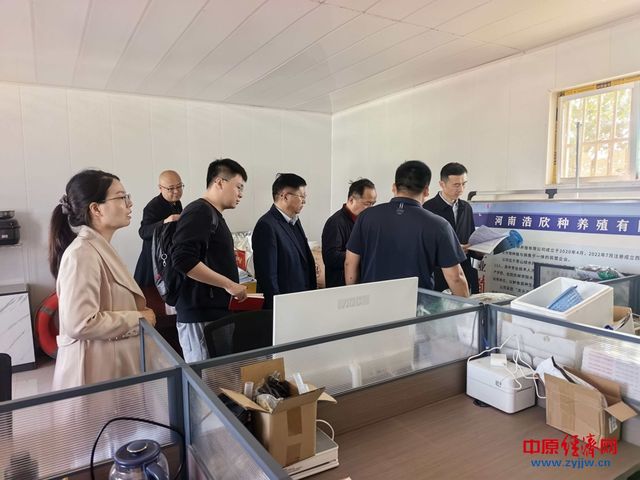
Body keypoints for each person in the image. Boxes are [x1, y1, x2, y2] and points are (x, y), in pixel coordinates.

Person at [48, 169, 156, 390]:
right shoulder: (81, 254)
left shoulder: (98, 247)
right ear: (96, 209)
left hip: (112, 364)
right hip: (93, 371)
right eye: (121, 197)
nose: (129, 204)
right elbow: (80, 322)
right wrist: (138, 318)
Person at [345, 160, 470, 297]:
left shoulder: (366, 217)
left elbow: (350, 263)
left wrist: (355, 298)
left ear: (394, 187)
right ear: (426, 190)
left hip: (373, 301)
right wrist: (468, 307)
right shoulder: (439, 225)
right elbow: (455, 277)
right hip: (416, 304)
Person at [171, 159, 248, 362]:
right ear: (220, 182)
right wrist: (229, 284)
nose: (241, 194)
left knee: (219, 376)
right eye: (238, 187)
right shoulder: (199, 211)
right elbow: (183, 259)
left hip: (214, 314)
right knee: (204, 379)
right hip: (200, 316)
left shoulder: (212, 214)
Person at [252, 173, 317, 309]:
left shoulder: (294, 221)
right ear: (285, 196)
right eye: (301, 196)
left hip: (301, 301)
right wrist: (278, 309)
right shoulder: (266, 226)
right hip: (283, 307)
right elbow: (268, 277)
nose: (304, 201)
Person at [423, 162, 481, 294]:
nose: (461, 189)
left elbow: (471, 238)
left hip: (464, 272)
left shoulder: (466, 207)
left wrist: (479, 250)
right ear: (442, 184)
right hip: (440, 276)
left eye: (464, 184)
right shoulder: (428, 208)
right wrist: (453, 250)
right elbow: (425, 248)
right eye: (456, 185)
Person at [322, 179, 377, 288]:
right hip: (341, 287)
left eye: (373, 204)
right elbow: (331, 257)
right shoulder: (335, 222)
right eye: (367, 204)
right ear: (351, 200)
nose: (371, 209)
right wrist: (358, 255)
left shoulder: (365, 222)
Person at [133, 170, 184, 288]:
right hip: (153, 261)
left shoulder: (176, 202)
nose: (176, 191)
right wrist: (165, 221)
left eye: (179, 186)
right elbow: (143, 232)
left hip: (168, 259)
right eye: (171, 188)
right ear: (160, 188)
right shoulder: (152, 207)